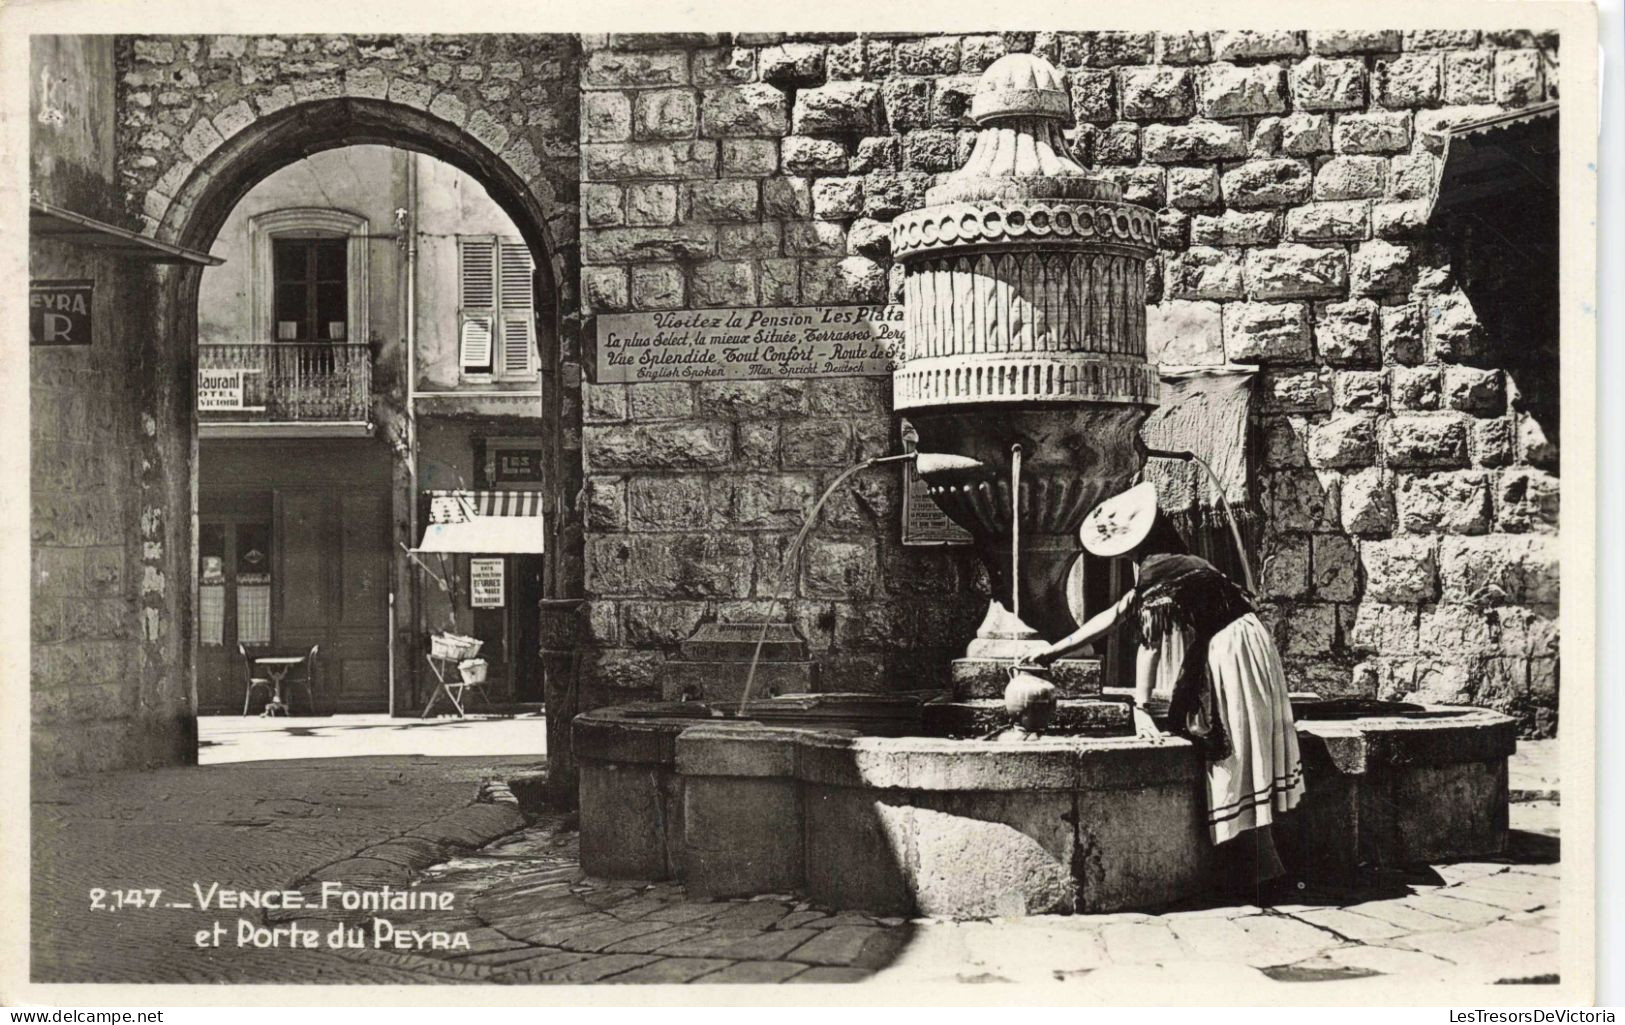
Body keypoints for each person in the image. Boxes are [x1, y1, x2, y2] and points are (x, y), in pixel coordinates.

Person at [1032, 481, 1305, 894]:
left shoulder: (1158, 568)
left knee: (1230, 745)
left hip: (1230, 649)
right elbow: (1114, 615)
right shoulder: (1171, 561)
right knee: (1250, 750)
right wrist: (1054, 652)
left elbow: (1150, 643)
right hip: (1248, 643)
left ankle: (1258, 869)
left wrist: (1141, 708)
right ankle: (1268, 866)